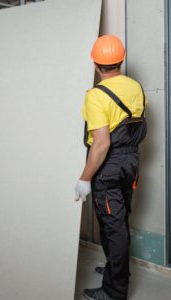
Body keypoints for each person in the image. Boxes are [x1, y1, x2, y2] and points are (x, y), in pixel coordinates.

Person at [75, 35, 147, 300]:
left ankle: (115, 291)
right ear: (121, 59)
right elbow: (128, 118)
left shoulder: (96, 96)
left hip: (109, 166)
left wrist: (84, 178)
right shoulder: (136, 86)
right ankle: (115, 271)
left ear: (96, 63)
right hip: (131, 163)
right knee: (118, 222)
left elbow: (102, 144)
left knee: (112, 228)